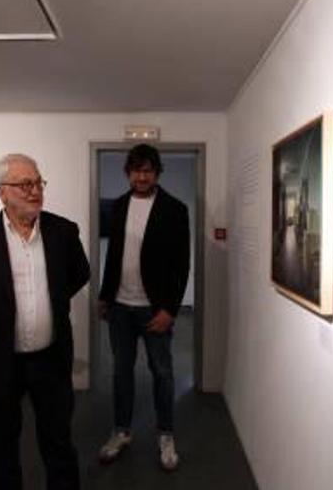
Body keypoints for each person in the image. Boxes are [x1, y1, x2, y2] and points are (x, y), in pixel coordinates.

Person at [0, 154, 89, 490]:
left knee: (58, 441)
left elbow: (79, 274)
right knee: (2, 446)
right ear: (2, 192)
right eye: (24, 184)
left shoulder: (63, 231)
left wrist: (49, 301)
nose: (34, 191)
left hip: (50, 359)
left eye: (38, 183)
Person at [98, 143, 190, 471]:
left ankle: (165, 434)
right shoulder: (120, 206)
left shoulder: (175, 209)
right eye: (136, 170)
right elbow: (114, 255)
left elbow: (181, 265)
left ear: (157, 173)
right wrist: (104, 295)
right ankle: (121, 431)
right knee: (121, 373)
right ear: (128, 173)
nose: (141, 176)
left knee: (162, 373)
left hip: (155, 309)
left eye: (148, 170)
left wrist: (170, 310)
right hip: (120, 308)